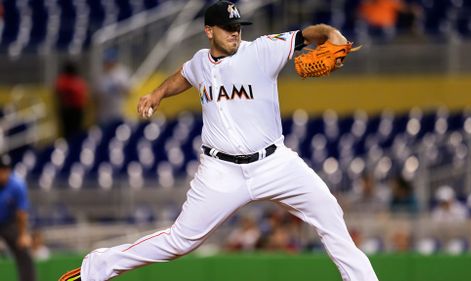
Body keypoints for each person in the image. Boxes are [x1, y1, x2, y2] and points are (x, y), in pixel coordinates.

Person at [59, 1, 379, 280]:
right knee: (180, 241)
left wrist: (332, 35)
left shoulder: (262, 50)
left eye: (237, 26)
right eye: (227, 28)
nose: (235, 32)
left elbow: (309, 34)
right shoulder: (200, 60)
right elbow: (184, 75)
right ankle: (95, 269)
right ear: (208, 31)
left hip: (274, 163)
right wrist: (157, 93)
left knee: (329, 214)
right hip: (220, 171)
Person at [0, 155, 36, 281]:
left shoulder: (17, 185)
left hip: (10, 222)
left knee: (24, 251)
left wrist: (23, 235)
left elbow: (21, 213)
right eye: (1, 170)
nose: (3, 173)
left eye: (5, 170)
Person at [95, 48, 131, 125]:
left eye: (109, 61)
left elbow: (128, 92)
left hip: (119, 112)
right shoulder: (101, 76)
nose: (107, 63)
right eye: (106, 61)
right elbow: (97, 96)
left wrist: (118, 87)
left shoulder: (121, 73)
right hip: (104, 114)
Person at [54, 61, 89, 140]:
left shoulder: (77, 80)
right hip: (67, 109)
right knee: (67, 132)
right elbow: (59, 91)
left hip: (77, 109)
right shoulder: (63, 80)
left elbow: (82, 94)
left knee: (76, 131)